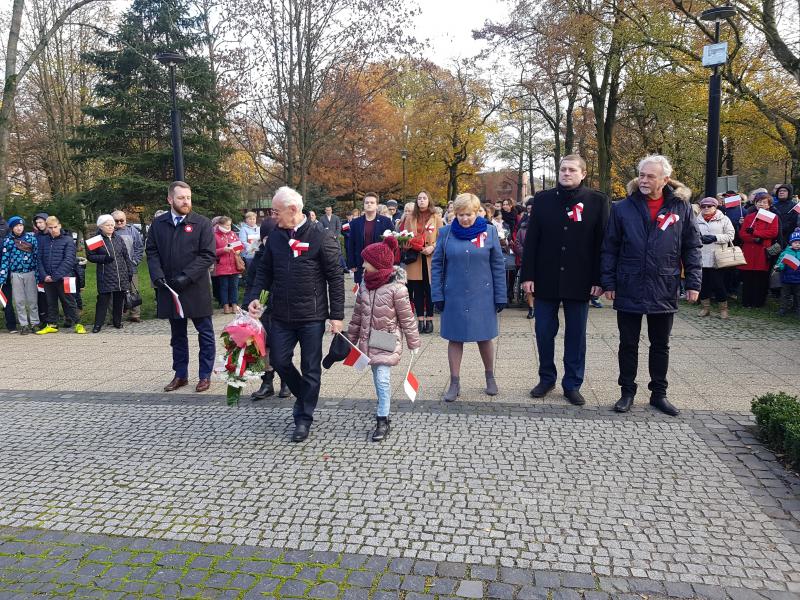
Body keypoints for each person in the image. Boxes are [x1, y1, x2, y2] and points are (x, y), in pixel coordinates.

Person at [600, 155, 701, 416]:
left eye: (650, 176)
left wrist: (693, 282)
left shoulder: (682, 208)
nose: (643, 180)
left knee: (660, 344)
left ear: (665, 180)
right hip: (629, 283)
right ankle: (627, 392)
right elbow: (610, 247)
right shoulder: (622, 208)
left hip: (664, 284)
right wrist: (608, 281)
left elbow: (692, 247)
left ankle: (659, 393)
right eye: (641, 175)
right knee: (628, 343)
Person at [246, 186, 344, 443]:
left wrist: (336, 316)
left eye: (276, 211)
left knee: (310, 367)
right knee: (278, 360)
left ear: (293, 209)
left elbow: (335, 278)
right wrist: (255, 297)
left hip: (311, 315)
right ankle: (306, 394)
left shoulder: (320, 236)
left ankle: (303, 418)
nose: (272, 216)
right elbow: (264, 271)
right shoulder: (276, 237)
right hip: (280, 313)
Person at [520, 155, 609, 406]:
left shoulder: (597, 201)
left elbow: (601, 243)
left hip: (579, 278)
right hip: (546, 277)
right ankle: (546, 378)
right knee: (544, 331)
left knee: (576, 334)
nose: (566, 173)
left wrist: (598, 278)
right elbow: (533, 240)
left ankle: (572, 383)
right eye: (562, 169)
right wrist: (528, 275)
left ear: (583, 173)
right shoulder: (544, 199)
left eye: (571, 170)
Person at [431, 193, 506, 401]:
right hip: (453, 294)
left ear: (477, 213)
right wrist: (437, 294)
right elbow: (437, 264)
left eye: (469, 215)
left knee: (485, 337)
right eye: (461, 214)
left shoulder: (489, 232)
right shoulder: (445, 233)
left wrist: (501, 295)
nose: (465, 219)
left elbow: (497, 265)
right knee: (455, 338)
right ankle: (454, 382)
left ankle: (490, 377)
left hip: (482, 294)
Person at [346, 235, 420, 441]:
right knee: (377, 379)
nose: (362, 264)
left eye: (366, 261)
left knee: (383, 378)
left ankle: (382, 419)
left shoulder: (397, 289)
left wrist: (414, 343)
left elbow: (407, 319)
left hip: (386, 340)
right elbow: (357, 316)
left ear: (377, 264)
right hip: (367, 341)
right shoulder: (364, 286)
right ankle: (382, 408)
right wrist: (351, 339)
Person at [146, 181, 217, 393]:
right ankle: (180, 374)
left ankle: (205, 375)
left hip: (195, 287)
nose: (186, 202)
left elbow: (208, 255)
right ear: (170, 199)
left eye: (188, 197)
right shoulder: (159, 224)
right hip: (170, 288)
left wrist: (187, 276)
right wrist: (157, 276)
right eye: (181, 198)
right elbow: (152, 252)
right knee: (177, 334)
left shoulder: (202, 223)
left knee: (205, 333)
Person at [247, 217, 291, 400]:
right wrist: (246, 306)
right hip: (263, 310)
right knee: (263, 347)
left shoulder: (287, 254)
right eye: (266, 239)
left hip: (282, 308)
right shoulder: (258, 257)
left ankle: (286, 382)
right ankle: (267, 383)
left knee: (282, 347)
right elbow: (251, 284)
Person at [36, 216, 86, 334]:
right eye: (50, 228)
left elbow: (69, 260)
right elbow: (39, 259)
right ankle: (52, 324)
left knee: (69, 301)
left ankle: (78, 324)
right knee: (51, 302)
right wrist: (44, 276)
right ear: (47, 228)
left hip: (64, 277)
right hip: (48, 278)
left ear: (59, 226)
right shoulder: (44, 241)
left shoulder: (68, 240)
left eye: (55, 227)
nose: (53, 230)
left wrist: (55, 276)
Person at [403, 191, 443, 334]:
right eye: (419, 198)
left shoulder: (436, 218)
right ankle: (420, 320)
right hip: (415, 259)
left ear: (429, 200)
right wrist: (408, 244)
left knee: (430, 290)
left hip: (431, 258)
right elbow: (405, 236)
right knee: (418, 290)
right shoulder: (410, 218)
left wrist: (432, 247)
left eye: (424, 198)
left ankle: (430, 319)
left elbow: (442, 238)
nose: (421, 200)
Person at [87, 214, 134, 333]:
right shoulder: (96, 239)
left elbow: (125, 256)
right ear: (101, 226)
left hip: (120, 273)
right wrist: (103, 258)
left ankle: (117, 322)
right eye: (108, 225)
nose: (111, 227)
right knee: (103, 300)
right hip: (105, 274)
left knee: (119, 300)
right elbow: (90, 256)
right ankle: (98, 324)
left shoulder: (118, 238)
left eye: (112, 225)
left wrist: (129, 271)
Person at [694, 197, 735, 319]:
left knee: (718, 284)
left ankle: (723, 309)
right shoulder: (696, 219)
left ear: (715, 207)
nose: (706, 208)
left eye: (709, 206)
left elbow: (730, 235)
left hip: (718, 256)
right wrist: (699, 239)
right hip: (701, 255)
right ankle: (705, 308)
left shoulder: (724, 219)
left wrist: (715, 237)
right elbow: (691, 234)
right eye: (703, 206)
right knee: (702, 284)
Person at [738, 192, 780, 308]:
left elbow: (773, 232)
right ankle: (746, 302)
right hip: (749, 250)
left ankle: (758, 302)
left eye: (764, 202)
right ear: (755, 203)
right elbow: (742, 234)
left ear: (769, 205)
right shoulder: (749, 216)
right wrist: (755, 239)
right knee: (748, 277)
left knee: (760, 278)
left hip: (762, 251)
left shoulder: (773, 217)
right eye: (759, 202)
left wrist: (756, 233)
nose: (761, 204)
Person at [0, 216, 39, 334]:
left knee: (32, 300)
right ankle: (23, 324)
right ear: (11, 228)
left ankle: (35, 322)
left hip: (30, 272)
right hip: (16, 273)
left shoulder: (30, 239)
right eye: (16, 226)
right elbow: (5, 260)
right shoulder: (8, 241)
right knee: (19, 300)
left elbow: (36, 256)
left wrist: (37, 274)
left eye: (21, 225)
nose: (19, 228)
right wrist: (2, 277)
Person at [345, 193, 393, 286]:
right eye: (367, 202)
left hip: (380, 264)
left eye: (372, 202)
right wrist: (351, 263)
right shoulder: (355, 223)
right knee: (363, 293)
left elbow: (392, 243)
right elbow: (351, 244)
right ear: (363, 205)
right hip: (361, 263)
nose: (369, 204)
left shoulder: (386, 222)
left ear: (376, 205)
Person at [111, 210, 144, 323]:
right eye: (117, 221)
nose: (119, 223)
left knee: (133, 290)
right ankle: (115, 316)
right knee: (114, 292)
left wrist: (135, 261)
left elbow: (139, 247)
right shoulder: (108, 230)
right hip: (113, 269)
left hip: (131, 267)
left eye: (122, 220)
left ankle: (135, 314)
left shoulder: (132, 230)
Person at [214, 216, 243, 314]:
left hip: (234, 265)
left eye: (230, 225)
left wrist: (238, 249)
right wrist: (223, 250)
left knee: (234, 286)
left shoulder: (233, 234)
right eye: (227, 225)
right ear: (220, 225)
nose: (229, 227)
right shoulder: (214, 235)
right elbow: (212, 251)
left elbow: (240, 246)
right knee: (224, 287)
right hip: (222, 266)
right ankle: (226, 306)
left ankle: (234, 305)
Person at [775, 229, 800, 317]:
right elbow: (781, 262)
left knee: (798, 296)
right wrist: (778, 267)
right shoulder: (785, 253)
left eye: (799, 242)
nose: (797, 244)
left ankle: (797, 309)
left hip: (798, 280)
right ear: (791, 243)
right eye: (795, 242)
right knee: (785, 295)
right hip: (786, 279)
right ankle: (783, 309)